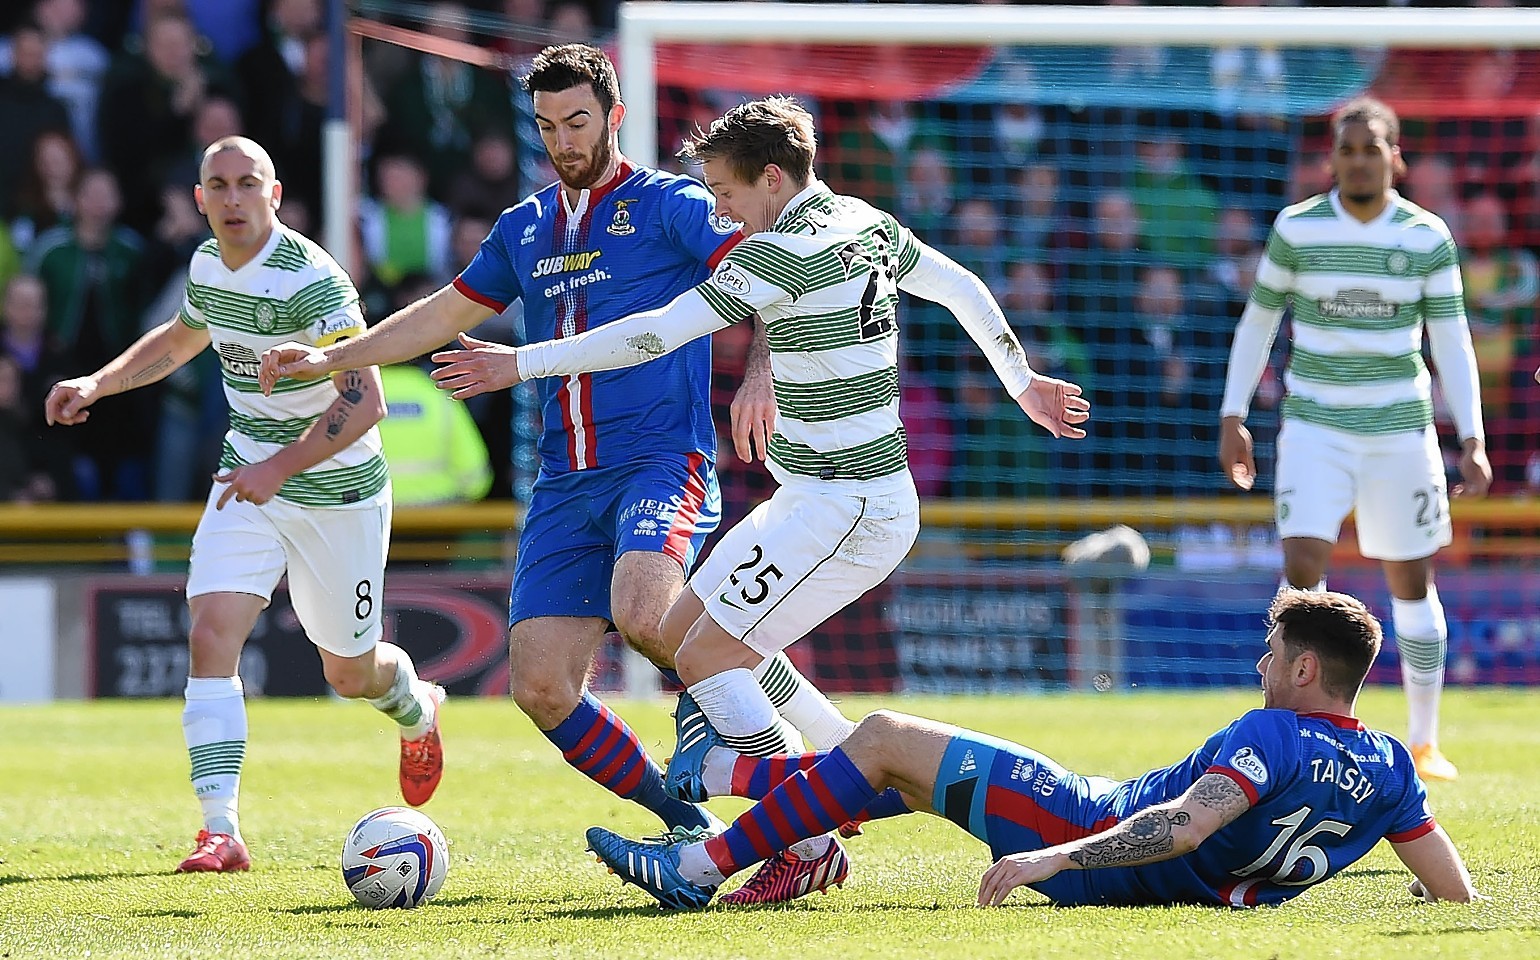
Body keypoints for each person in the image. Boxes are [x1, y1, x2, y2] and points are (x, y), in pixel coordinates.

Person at [425, 96, 1089, 903]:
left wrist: (519, 363)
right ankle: (846, 756)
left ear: (773, 180)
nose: (720, 208)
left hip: (851, 511)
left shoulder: (778, 256)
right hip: (813, 494)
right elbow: (960, 286)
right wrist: (1022, 381)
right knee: (678, 633)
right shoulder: (863, 222)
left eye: (728, 192)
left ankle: (803, 834)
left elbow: (654, 332)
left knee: (707, 658)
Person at [258, 46, 849, 862]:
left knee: (647, 614)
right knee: (538, 688)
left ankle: (809, 794)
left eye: (576, 121)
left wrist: (762, 373)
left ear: (614, 116)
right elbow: (441, 313)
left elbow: (773, 275)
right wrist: (335, 359)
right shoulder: (525, 226)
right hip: (565, 482)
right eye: (546, 126)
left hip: (658, 461)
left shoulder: (672, 204)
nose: (562, 140)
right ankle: (689, 822)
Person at [44, 136, 444, 873]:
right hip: (247, 478)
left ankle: (417, 708)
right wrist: (98, 384)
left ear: (275, 194)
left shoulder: (314, 282)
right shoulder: (204, 265)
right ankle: (220, 830)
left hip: (338, 492)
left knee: (349, 675)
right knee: (211, 634)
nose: (233, 199)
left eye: (247, 184)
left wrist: (284, 465)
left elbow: (366, 404)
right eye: (218, 186)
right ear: (200, 198)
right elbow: (181, 336)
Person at [585, 591, 1482, 910]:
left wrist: (1056, 855)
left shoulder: (1272, 732)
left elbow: (1176, 825)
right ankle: (722, 776)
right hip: (1151, 865)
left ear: (1305, 666)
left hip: (1084, 825)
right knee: (899, 764)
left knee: (890, 736)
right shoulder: (1392, 765)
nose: (1260, 665)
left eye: (1271, 653)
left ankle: (698, 864)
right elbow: (1453, 888)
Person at [1217, 96, 1491, 783]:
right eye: (1348, 149)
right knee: (1303, 571)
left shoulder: (1427, 236)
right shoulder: (1298, 229)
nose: (1360, 160)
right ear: (1331, 159)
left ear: (1395, 157)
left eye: (1373, 149)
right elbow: (1258, 325)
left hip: (1401, 431)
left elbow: (1452, 341)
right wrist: (1232, 414)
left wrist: (1474, 436)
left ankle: (1424, 742)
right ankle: (1294, 730)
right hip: (1316, 428)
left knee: (1410, 579)